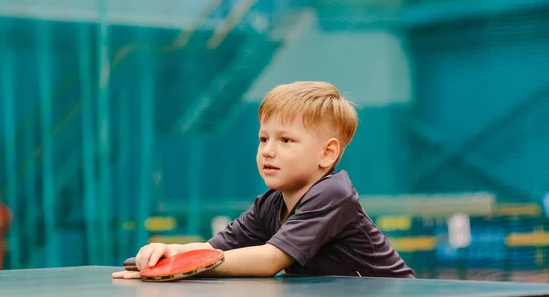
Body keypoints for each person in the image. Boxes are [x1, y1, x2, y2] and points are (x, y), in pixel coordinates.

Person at [113, 81, 415, 279]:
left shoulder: (334, 193)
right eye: (263, 138)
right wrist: (167, 255)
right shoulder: (268, 205)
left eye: (285, 140)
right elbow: (214, 249)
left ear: (327, 153)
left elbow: (270, 260)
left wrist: (190, 266)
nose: (268, 150)